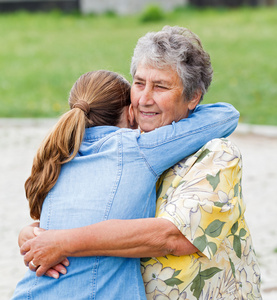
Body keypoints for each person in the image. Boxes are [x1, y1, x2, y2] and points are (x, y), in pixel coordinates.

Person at [17, 26, 261, 299]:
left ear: (193, 97)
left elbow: (174, 237)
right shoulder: (129, 146)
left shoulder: (216, 153)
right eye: (139, 83)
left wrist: (63, 241)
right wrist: (35, 235)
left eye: (161, 86)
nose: (144, 100)